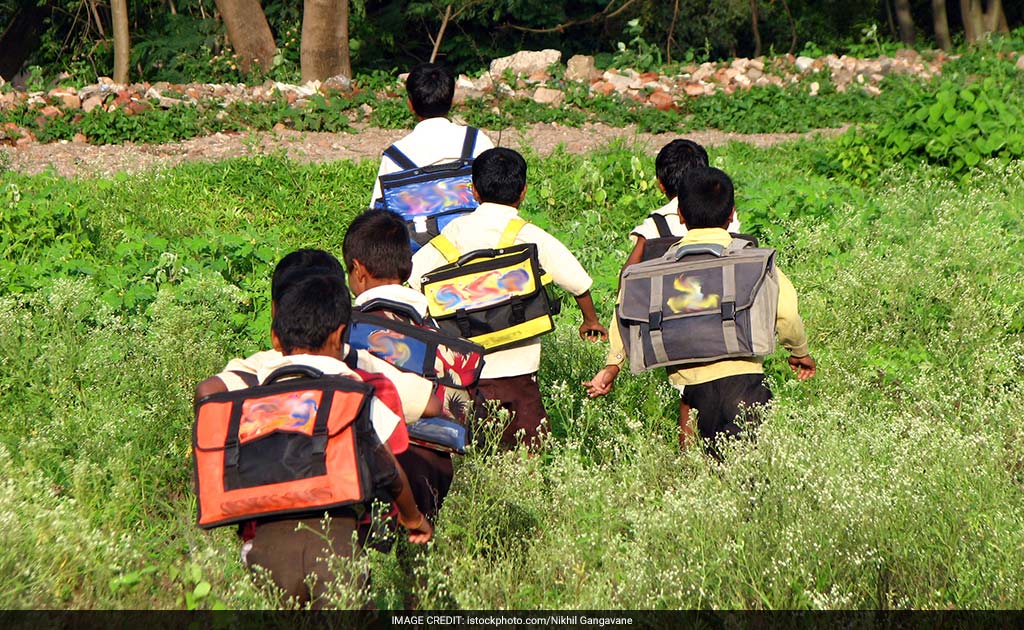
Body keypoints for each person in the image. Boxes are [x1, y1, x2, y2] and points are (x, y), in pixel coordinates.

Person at [193, 271, 432, 609]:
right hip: (335, 547)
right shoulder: (352, 394)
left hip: (263, 553)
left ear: (276, 338)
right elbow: (389, 469)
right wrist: (412, 517)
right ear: (340, 336)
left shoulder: (250, 399)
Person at [585, 167, 816, 456]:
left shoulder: (655, 270)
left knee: (704, 464)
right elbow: (788, 312)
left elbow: (625, 311)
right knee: (749, 468)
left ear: (680, 215)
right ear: (731, 214)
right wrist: (798, 351)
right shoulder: (752, 260)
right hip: (744, 378)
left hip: (691, 387)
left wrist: (613, 365)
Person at [409, 147, 608, 449]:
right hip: (520, 369)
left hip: (468, 368)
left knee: (475, 446)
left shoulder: (455, 232)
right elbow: (577, 281)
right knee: (530, 445)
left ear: (473, 191)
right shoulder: (528, 235)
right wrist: (590, 320)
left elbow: (414, 278)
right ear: (523, 192)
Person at [585, 139, 740, 441]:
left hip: (677, 325)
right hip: (724, 319)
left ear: (659, 184)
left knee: (690, 397)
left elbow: (628, 284)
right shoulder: (726, 216)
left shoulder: (654, 226)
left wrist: (615, 360)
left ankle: (688, 461)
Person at [202, 248, 442, 427]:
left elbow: (207, 392)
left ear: (275, 312)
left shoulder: (259, 366)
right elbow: (430, 406)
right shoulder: (360, 365)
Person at [342, 208, 457, 522]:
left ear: (358, 269)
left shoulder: (350, 329)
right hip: (439, 460)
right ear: (407, 269)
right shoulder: (436, 320)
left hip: (381, 461)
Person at [369, 62, 495, 207]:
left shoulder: (395, 156)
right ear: (452, 100)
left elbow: (378, 212)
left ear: (410, 104)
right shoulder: (476, 140)